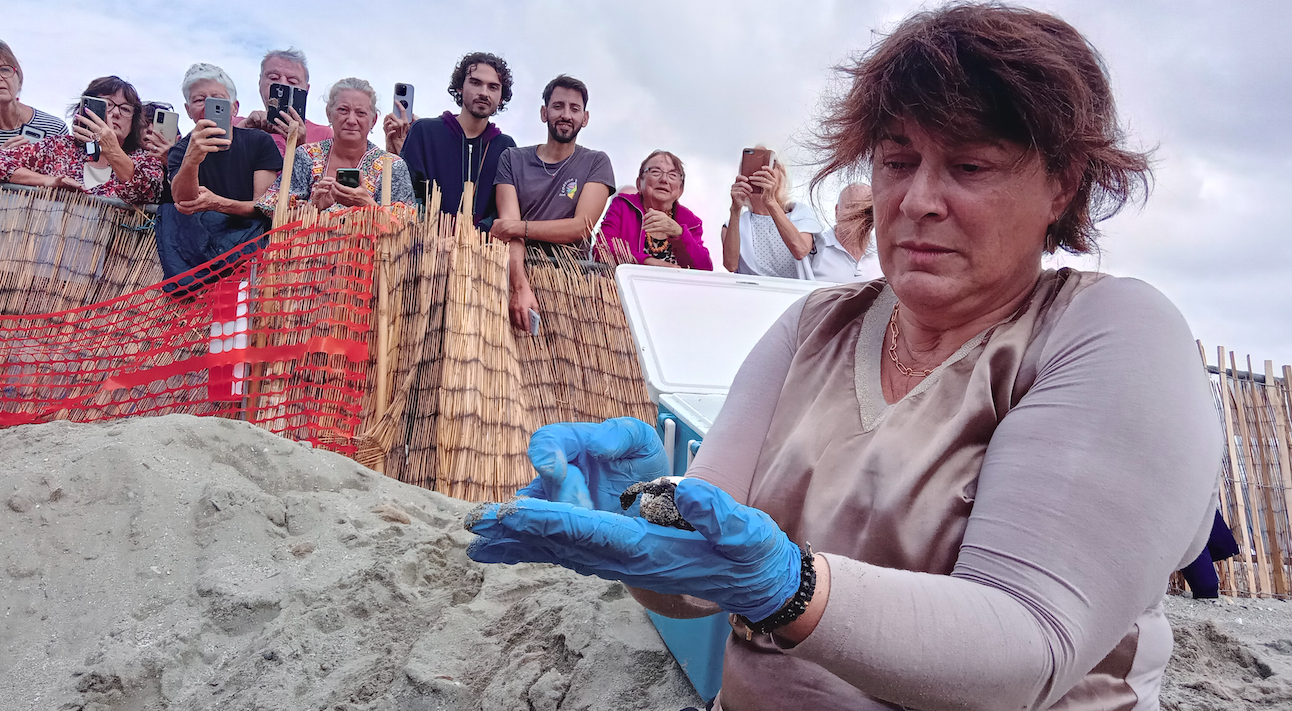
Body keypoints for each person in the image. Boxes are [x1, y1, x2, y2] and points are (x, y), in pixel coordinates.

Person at [464, 5, 1221, 710]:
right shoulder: (815, 325)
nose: (919, 199)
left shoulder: (1106, 331)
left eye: (970, 167)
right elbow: (692, 588)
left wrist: (788, 589)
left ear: (1062, 184)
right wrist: (642, 518)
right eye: (897, 161)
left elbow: (1029, 640)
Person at [491, 75, 615, 331]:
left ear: (585, 117)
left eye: (575, 108)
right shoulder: (512, 159)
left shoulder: (596, 162)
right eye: (558, 106)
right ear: (544, 112)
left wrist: (519, 227)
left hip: (570, 281)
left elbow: (581, 227)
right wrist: (520, 286)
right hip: (517, 273)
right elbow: (508, 232)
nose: (566, 115)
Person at [154, 63, 282, 279]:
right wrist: (192, 159)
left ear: (234, 107)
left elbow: (264, 206)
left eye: (217, 98)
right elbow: (184, 201)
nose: (208, 105)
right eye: (198, 100)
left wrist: (218, 203)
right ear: (188, 110)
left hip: (251, 254)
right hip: (198, 252)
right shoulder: (180, 150)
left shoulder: (259, 142)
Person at [386, 52, 517, 226]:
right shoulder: (424, 133)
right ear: (460, 87)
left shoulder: (505, 147)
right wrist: (436, 228)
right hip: (427, 244)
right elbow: (407, 195)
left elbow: (502, 209)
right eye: (475, 83)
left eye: (493, 87)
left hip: (483, 249)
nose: (484, 93)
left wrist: (478, 234)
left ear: (501, 97)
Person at [256, 78, 414, 217]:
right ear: (329, 114)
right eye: (343, 110)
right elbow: (275, 214)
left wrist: (368, 206)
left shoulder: (392, 166)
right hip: (306, 249)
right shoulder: (307, 156)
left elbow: (407, 228)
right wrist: (314, 208)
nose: (351, 120)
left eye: (360, 113)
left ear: (373, 120)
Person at [0, 75, 163, 205]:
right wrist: (47, 180)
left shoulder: (146, 160)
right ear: (87, 109)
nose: (116, 113)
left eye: (126, 109)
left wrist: (112, 149)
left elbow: (146, 191)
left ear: (134, 121)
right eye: (107, 104)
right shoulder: (60, 147)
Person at [597, 150, 711, 270]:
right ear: (639, 183)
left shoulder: (691, 222)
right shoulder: (623, 206)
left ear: (680, 191)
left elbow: (705, 268)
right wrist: (649, 262)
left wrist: (679, 233)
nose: (664, 180)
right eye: (655, 172)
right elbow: (601, 249)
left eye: (673, 175)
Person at [721, 153, 823, 278]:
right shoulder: (734, 224)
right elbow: (730, 265)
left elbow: (800, 250)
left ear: (782, 174)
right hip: (752, 293)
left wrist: (770, 201)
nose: (761, 171)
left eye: (770, 164)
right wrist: (735, 210)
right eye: (752, 165)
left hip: (794, 294)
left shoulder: (799, 214)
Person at [234, 48, 332, 155]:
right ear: (260, 82)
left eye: (292, 81)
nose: (283, 84)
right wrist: (241, 132)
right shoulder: (233, 125)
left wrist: (301, 149)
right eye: (274, 78)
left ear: (306, 90)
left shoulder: (324, 137)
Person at [0, 40, 69, 148]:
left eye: (5, 70)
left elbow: (65, 165)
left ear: (18, 79)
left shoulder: (54, 128)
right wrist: (4, 162)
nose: (0, 78)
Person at [807, 183, 882, 283]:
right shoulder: (814, 249)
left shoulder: (884, 250)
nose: (857, 215)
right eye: (851, 207)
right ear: (837, 211)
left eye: (865, 210)